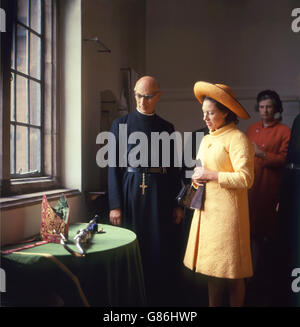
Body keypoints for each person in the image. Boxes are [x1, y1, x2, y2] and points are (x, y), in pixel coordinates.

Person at [108, 75, 184, 306]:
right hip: (130, 190)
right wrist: (115, 205)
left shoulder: (167, 128)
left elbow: (174, 170)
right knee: (131, 244)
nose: (142, 101)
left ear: (158, 96)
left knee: (158, 245)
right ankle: (131, 298)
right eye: (139, 95)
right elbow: (113, 167)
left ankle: (157, 297)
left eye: (148, 96)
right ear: (134, 94)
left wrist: (177, 204)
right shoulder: (120, 125)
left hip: (160, 193)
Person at [183, 81, 254, 307]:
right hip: (208, 213)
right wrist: (196, 179)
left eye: (210, 113)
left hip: (229, 216)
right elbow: (203, 173)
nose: (205, 118)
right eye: (203, 113)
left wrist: (211, 175)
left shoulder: (238, 139)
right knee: (212, 271)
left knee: (233, 274)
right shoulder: (206, 139)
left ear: (226, 113)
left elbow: (246, 178)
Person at [246, 90, 290, 305]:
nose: (265, 111)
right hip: (251, 189)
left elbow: (285, 159)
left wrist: (262, 154)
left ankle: (269, 279)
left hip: (271, 189)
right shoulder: (251, 129)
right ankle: (252, 277)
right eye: (262, 107)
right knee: (251, 233)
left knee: (269, 234)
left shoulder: (284, 131)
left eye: (269, 107)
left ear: (276, 108)